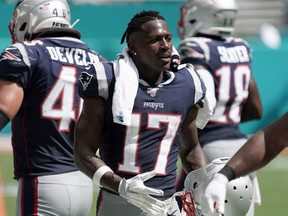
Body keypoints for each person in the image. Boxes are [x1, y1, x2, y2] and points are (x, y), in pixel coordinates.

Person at [73, 10, 214, 216]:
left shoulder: (187, 83)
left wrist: (205, 186)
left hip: (166, 205)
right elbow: (82, 153)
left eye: (167, 38)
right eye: (155, 40)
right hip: (118, 203)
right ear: (133, 46)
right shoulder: (108, 79)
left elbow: (191, 149)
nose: (165, 45)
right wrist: (122, 186)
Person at [0, 0, 106, 215]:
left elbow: (3, 109)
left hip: (42, 181)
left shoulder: (26, 53)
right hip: (85, 183)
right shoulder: (99, 61)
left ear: (27, 18)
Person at [175, 0, 263, 215]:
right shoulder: (241, 47)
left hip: (208, 147)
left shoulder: (196, 47)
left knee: (185, 208)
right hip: (242, 148)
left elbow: (203, 97)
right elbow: (255, 108)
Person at [201, 111, 288, 215]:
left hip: (209, 143)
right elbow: (269, 138)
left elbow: (270, 140)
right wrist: (223, 176)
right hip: (239, 143)